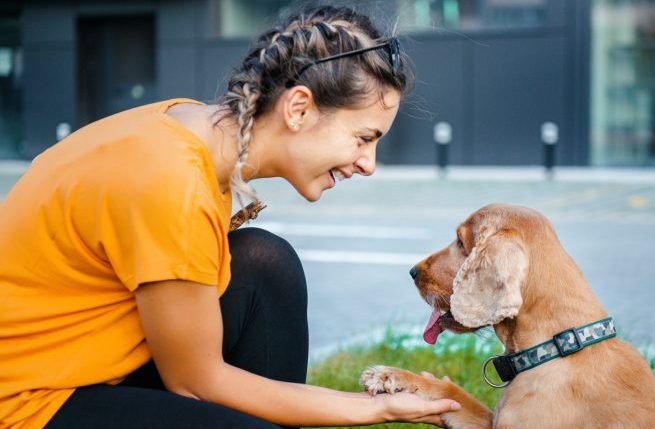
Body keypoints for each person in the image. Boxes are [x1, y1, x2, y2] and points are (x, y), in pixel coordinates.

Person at [0, 5, 461, 429]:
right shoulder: (171, 181)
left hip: (84, 358)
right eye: (363, 137)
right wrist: (373, 407)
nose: (368, 163)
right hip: (27, 397)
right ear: (298, 108)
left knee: (263, 263)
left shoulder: (194, 127)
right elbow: (196, 382)